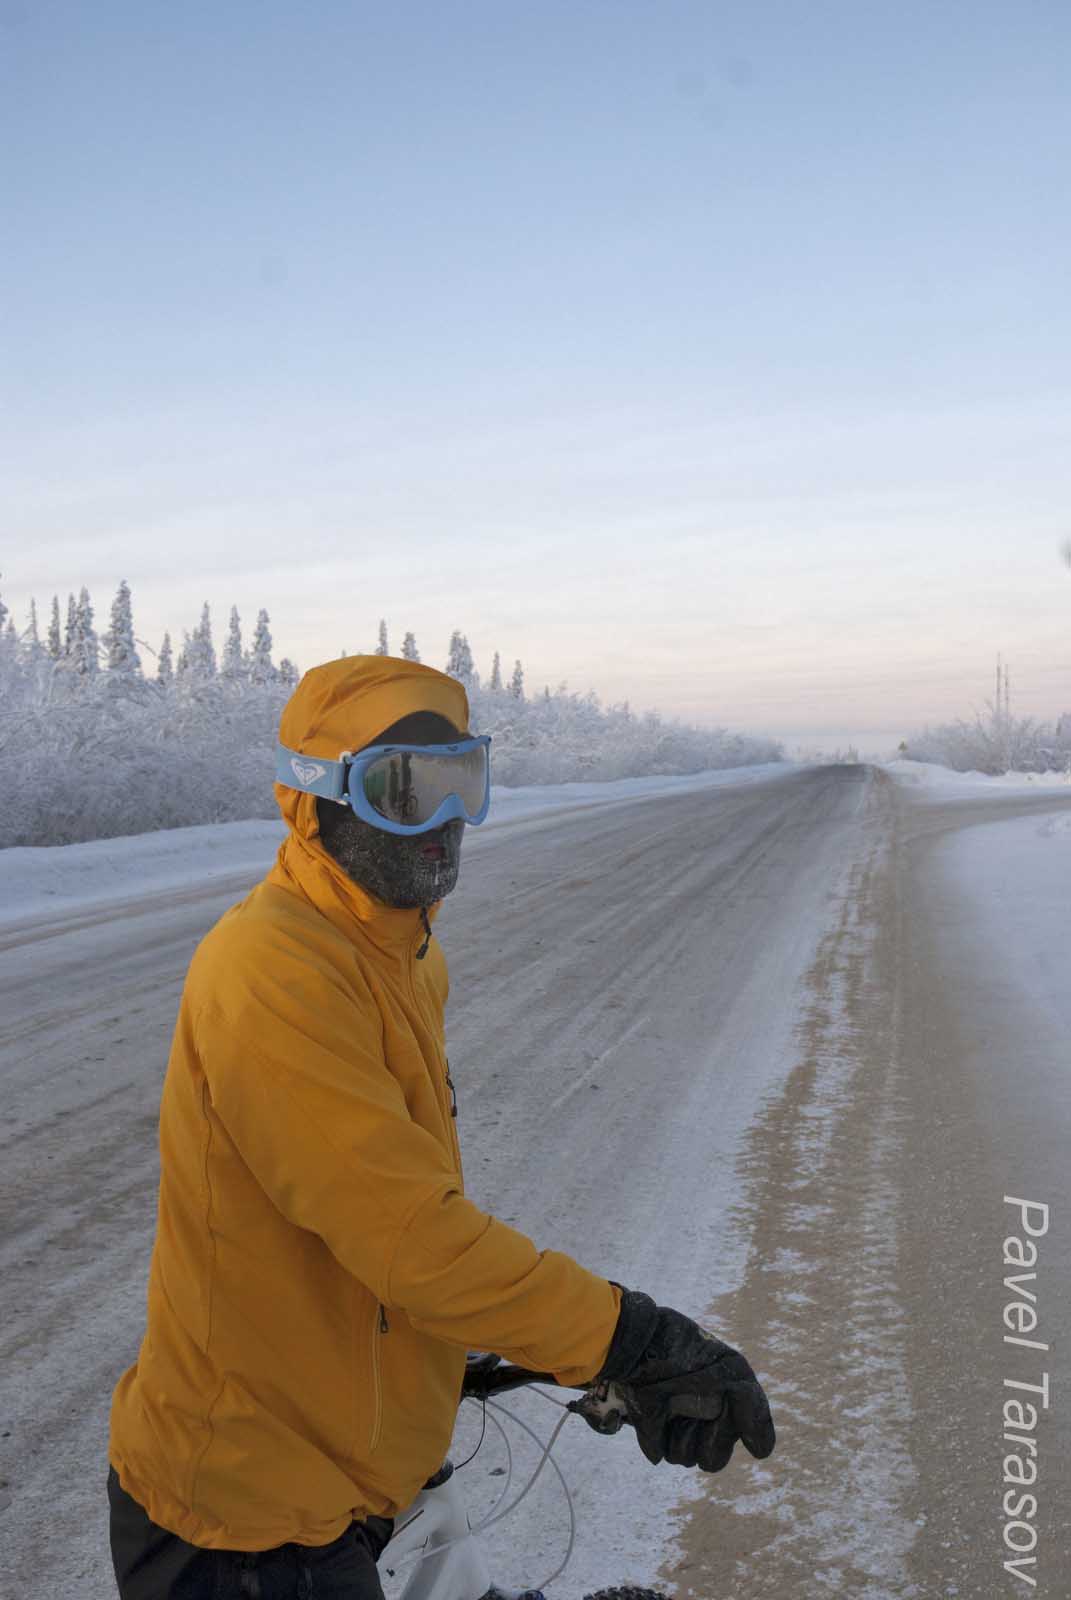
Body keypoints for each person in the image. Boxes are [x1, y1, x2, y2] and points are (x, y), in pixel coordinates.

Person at [107, 654, 775, 1599]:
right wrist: (628, 1338)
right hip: (246, 1522)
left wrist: (438, 1349)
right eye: (400, 791)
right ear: (319, 801)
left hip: (351, 1481)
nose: (444, 819)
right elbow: (408, 1239)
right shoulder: (272, 969)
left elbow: (368, 1194)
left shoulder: (400, 952)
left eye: (461, 781)